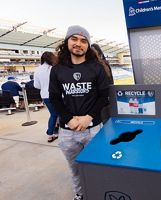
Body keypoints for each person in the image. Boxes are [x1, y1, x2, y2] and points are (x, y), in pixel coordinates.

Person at [49, 25, 109, 200]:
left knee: (97, 166)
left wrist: (88, 117)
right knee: (75, 168)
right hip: (68, 132)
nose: (78, 44)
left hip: (93, 129)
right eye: (74, 39)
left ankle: (98, 193)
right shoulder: (58, 69)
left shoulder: (96, 68)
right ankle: (80, 195)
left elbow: (103, 96)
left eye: (83, 41)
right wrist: (69, 119)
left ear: (88, 46)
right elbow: (54, 98)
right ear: (67, 42)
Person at [34, 51, 59, 142]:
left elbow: (36, 86)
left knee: (53, 114)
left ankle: (50, 133)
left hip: (45, 95)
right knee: (59, 114)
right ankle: (57, 132)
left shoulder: (37, 70)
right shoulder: (54, 68)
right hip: (57, 95)